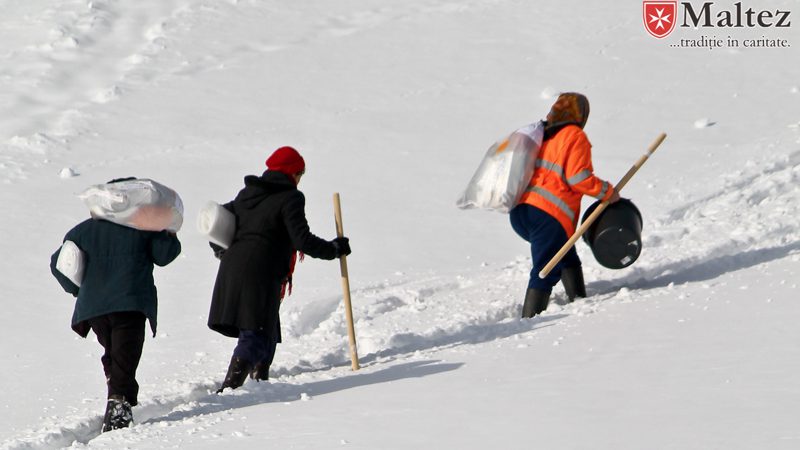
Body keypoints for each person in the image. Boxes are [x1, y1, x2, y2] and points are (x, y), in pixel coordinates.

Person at [208, 146, 351, 392]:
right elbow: (302, 240)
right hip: (260, 273)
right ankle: (229, 390)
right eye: (299, 174)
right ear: (291, 173)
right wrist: (334, 249)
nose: (299, 180)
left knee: (267, 326)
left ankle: (259, 381)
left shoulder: (248, 193)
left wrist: (221, 250)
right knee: (255, 331)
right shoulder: (290, 197)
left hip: (233, 269)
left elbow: (217, 216)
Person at [49, 177, 181, 432]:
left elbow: (61, 264)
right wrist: (169, 231)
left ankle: (119, 395)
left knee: (115, 353)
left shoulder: (82, 230)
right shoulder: (142, 228)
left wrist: (79, 291)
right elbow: (164, 255)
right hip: (129, 302)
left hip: (95, 308)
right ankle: (119, 406)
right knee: (125, 354)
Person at [510, 93, 619, 318]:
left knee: (564, 250)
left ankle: (577, 298)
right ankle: (529, 322)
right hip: (547, 215)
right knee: (545, 270)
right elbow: (578, 178)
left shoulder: (543, 133)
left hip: (521, 211)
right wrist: (608, 192)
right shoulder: (574, 135)